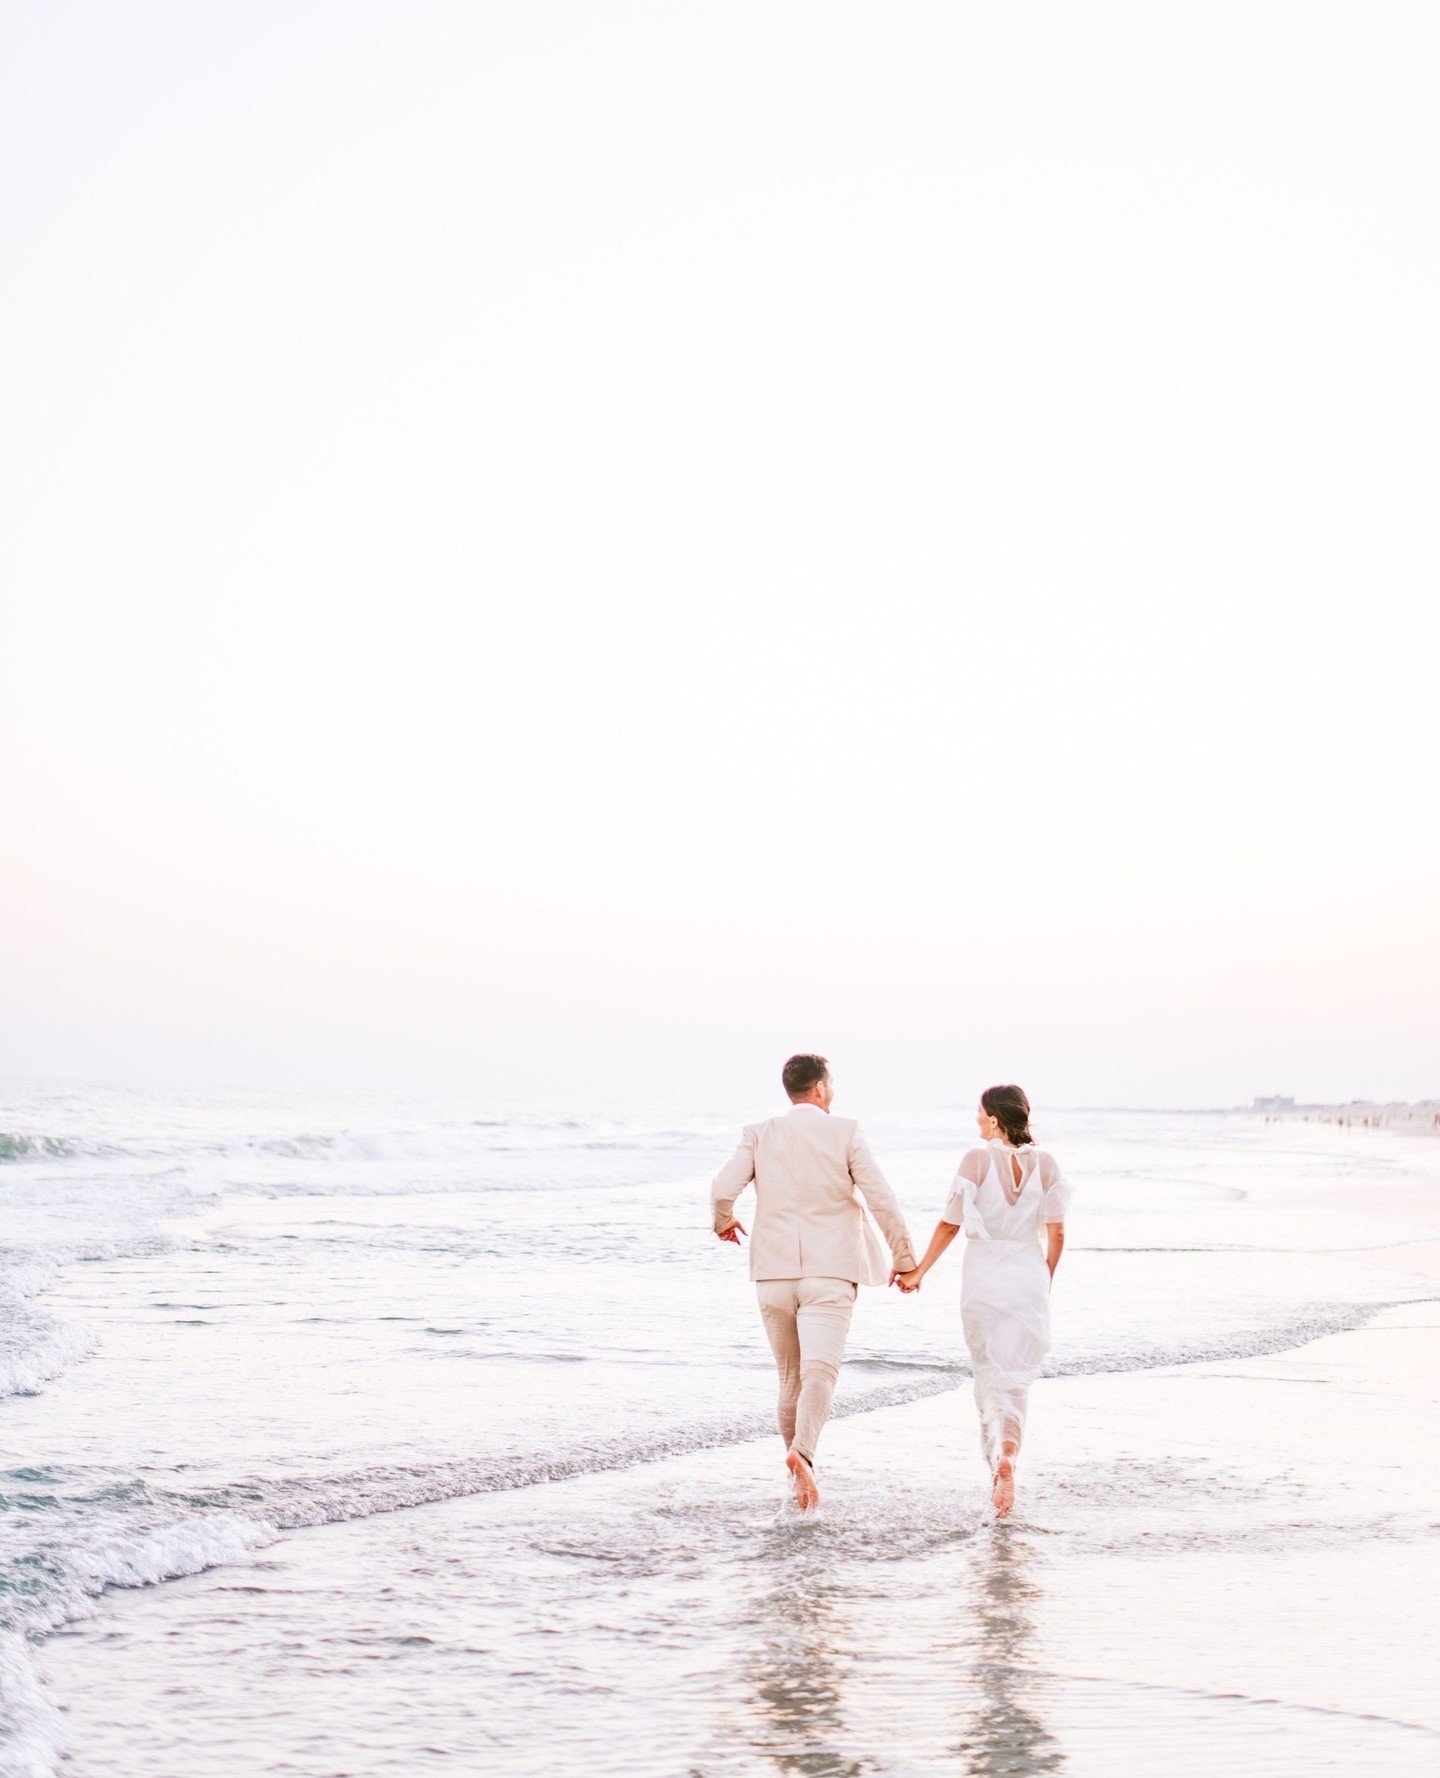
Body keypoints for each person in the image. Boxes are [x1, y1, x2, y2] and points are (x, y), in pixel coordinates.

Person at [711, 1054, 917, 1511]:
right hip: (830, 1271)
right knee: (819, 1372)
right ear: (821, 1089)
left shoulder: (760, 1133)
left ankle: (796, 1482)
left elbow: (723, 1189)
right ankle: (802, 1454)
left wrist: (723, 1221)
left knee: (789, 1378)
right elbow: (881, 1198)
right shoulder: (845, 1131)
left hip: (773, 1273)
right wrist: (904, 1259)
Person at [894, 1085, 1070, 1518]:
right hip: (1028, 1274)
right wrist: (1041, 1279)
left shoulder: (976, 1160)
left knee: (989, 1372)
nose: (975, 1120)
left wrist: (918, 1272)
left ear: (993, 1119)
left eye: (978, 1113)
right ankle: (1009, 1453)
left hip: (985, 1276)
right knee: (1017, 1378)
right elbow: (1057, 1233)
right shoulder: (1047, 1165)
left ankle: (996, 1463)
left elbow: (950, 1224)